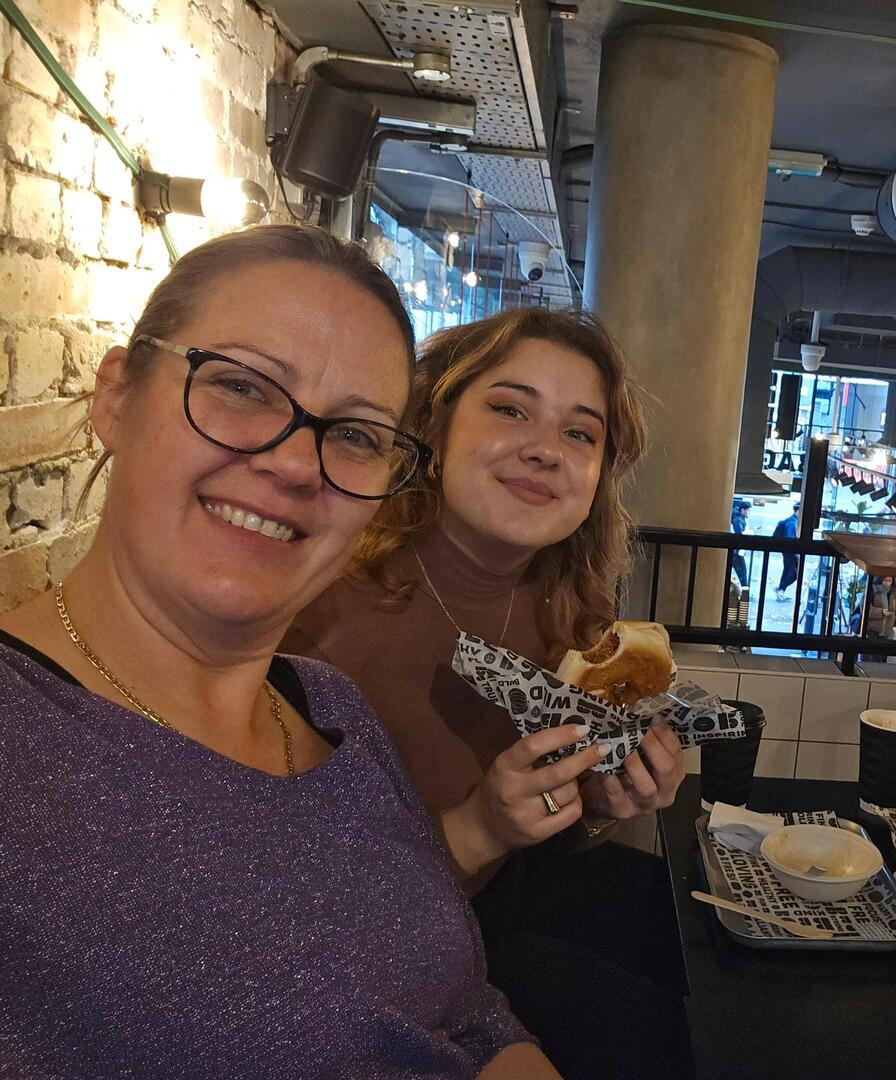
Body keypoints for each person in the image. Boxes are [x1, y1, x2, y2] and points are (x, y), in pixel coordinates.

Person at [0, 225, 556, 1078]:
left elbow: (464, 1013)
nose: (298, 464)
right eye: (243, 386)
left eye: (358, 435)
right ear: (115, 397)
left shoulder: (327, 706)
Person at [283, 308, 688, 1080]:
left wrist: (601, 802)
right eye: (510, 409)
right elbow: (284, 914)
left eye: (580, 433)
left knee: (693, 951)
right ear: (432, 428)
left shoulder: (573, 611)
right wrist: (479, 827)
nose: (545, 449)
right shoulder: (316, 611)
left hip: (503, 900)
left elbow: (555, 826)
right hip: (364, 972)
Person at [773, 500, 801, 596]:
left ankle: (781, 590)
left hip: (786, 550)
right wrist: (796, 554)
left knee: (787, 570)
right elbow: (791, 539)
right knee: (794, 574)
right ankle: (781, 589)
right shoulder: (792, 522)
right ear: (798, 511)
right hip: (790, 551)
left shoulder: (792, 520)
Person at [730, 498, 751, 587]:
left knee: (742, 571)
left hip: (736, 550)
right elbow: (740, 534)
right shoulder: (738, 520)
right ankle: (744, 590)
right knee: (742, 572)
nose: (749, 512)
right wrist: (751, 532)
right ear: (743, 510)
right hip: (737, 550)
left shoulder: (739, 518)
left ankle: (744, 589)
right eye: (748, 510)